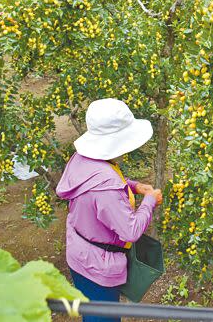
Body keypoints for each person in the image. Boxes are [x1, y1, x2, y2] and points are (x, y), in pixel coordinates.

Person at [56, 98, 163, 322]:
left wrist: (133, 186)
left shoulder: (82, 159)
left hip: (80, 254)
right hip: (98, 267)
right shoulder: (107, 187)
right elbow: (131, 231)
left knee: (91, 311)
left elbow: (98, 182)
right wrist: (149, 201)